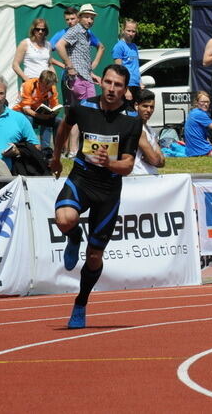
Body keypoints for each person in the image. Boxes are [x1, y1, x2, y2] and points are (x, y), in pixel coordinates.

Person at [50, 64, 143, 329]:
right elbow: (64, 127)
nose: (112, 89)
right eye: (109, 82)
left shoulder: (132, 120)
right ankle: (74, 236)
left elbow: (128, 165)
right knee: (64, 219)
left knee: (93, 257)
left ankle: (81, 303)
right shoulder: (83, 106)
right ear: (101, 82)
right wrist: (56, 157)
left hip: (108, 190)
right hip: (81, 178)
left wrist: (109, 163)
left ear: (125, 90)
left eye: (118, 85)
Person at [0, 75, 40, 169]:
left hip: (13, 174)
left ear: (5, 94)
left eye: (1, 93)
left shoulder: (19, 118)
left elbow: (36, 146)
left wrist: (18, 152)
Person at [56, 4, 103, 104]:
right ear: (79, 17)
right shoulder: (76, 30)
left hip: (86, 78)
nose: (89, 21)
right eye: (86, 17)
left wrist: (91, 73)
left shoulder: (86, 33)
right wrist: (70, 67)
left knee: (91, 106)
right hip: (77, 78)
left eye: (92, 18)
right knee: (85, 108)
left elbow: (100, 48)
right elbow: (59, 46)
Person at [13, 69, 62, 150]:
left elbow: (54, 105)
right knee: (29, 119)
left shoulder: (52, 88)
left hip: (36, 112)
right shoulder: (28, 85)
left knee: (58, 121)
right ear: (39, 81)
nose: (46, 89)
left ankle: (48, 150)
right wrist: (40, 116)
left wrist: (53, 113)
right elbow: (26, 109)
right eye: (44, 86)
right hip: (20, 110)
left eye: (48, 87)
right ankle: (29, 147)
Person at [131, 89, 165, 175]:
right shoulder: (136, 128)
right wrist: (155, 157)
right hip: (139, 176)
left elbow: (162, 162)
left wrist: (152, 157)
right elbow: (155, 160)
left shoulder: (150, 130)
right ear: (136, 106)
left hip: (152, 176)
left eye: (152, 107)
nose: (149, 110)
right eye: (145, 106)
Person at [112, 18, 142, 102]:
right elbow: (119, 70)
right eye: (128, 31)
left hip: (136, 85)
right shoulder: (119, 46)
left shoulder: (134, 47)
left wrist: (140, 82)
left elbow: (136, 67)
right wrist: (126, 89)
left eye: (133, 31)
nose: (131, 34)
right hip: (126, 87)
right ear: (123, 30)